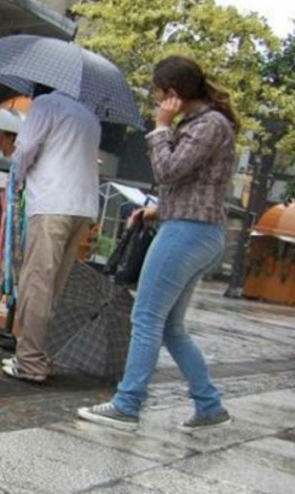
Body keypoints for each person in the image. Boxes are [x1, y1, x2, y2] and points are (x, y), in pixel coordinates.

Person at [78, 56, 237, 432]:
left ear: (172, 93)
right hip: (194, 229)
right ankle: (209, 405)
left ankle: (127, 404)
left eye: (157, 94)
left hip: (187, 233)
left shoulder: (209, 124)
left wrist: (161, 127)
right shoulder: (205, 122)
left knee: (146, 317)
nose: (156, 102)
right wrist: (157, 211)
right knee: (170, 327)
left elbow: (168, 170)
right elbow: (195, 186)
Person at [2, 85, 101, 383]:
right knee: (53, 285)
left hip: (51, 202)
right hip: (82, 206)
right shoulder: (90, 117)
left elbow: (26, 148)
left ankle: (29, 361)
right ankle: (38, 353)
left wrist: (18, 176)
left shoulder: (46, 104)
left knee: (37, 282)